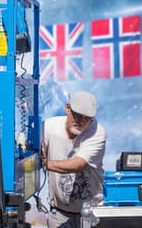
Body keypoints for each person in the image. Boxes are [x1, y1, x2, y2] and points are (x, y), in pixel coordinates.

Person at [41, 91, 106, 228]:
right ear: (67, 109)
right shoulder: (47, 128)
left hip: (91, 212)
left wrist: (46, 163)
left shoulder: (97, 131)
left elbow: (78, 164)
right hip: (59, 213)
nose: (81, 121)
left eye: (86, 118)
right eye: (77, 115)